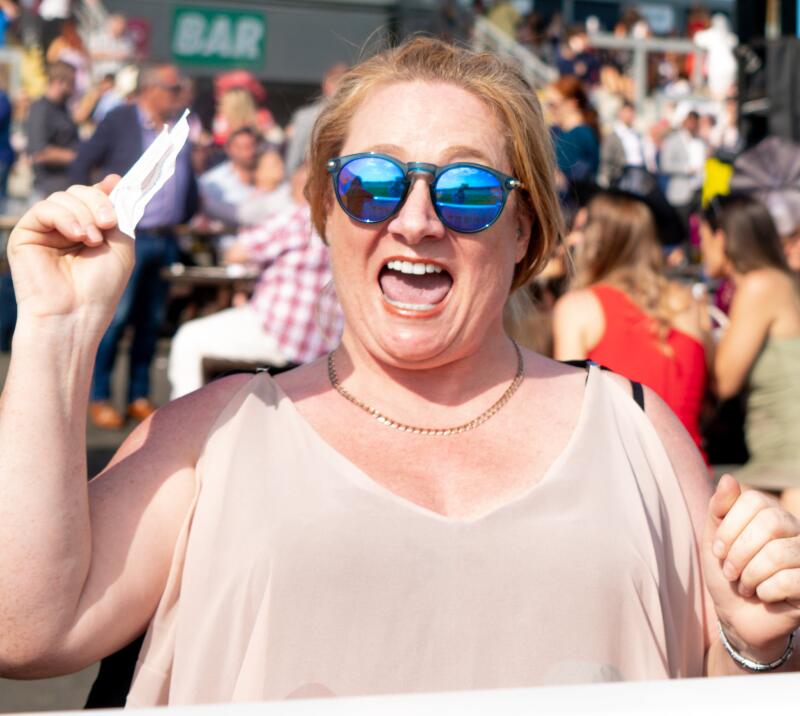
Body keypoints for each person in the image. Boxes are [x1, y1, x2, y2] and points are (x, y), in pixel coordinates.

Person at [2, 38, 800, 707]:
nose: (416, 221)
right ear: (325, 209)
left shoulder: (635, 430)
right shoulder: (211, 436)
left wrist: (758, 642)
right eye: (372, 185)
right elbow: (23, 629)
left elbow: (720, 686)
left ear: (523, 229)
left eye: (468, 191)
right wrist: (55, 330)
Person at [70, 61, 197, 429]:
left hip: (164, 238)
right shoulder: (120, 120)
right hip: (126, 237)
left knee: (150, 320)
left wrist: (186, 211)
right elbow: (82, 165)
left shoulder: (178, 127)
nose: (179, 95)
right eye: (174, 89)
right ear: (150, 89)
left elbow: (186, 177)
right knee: (114, 319)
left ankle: (139, 394)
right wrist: (87, 212)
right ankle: (100, 396)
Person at [552, 191, 709, 456]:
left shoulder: (578, 308)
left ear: (595, 242)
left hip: (621, 476)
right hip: (690, 473)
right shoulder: (689, 304)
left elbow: (566, 409)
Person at [169, 165, 341, 399]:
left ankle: (187, 427)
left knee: (188, 339)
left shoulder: (296, 217)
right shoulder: (342, 224)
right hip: (327, 340)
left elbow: (237, 252)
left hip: (282, 332)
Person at [700, 194, 800, 515]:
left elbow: (724, 382)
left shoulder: (761, 285)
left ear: (721, 238)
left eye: (701, 238)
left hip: (787, 464)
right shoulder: (779, 280)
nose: (700, 250)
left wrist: (699, 326)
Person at [26, 60, 78, 200]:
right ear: (59, 81)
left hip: (65, 188)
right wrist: (78, 157)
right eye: (72, 83)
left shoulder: (63, 108)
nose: (75, 88)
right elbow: (39, 153)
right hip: (47, 192)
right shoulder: (40, 109)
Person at [284, 62, 348, 175]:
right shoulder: (306, 117)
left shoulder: (355, 116)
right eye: (336, 82)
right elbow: (293, 160)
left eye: (342, 83)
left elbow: (293, 160)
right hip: (313, 176)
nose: (339, 88)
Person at [545, 74, 600, 200]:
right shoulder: (562, 133)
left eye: (553, 105)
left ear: (571, 104)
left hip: (570, 209)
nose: (549, 110)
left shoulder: (579, 135)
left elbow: (573, 182)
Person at [197, 126, 259, 228]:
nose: (249, 152)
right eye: (242, 147)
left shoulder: (267, 176)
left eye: (252, 146)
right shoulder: (212, 180)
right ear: (229, 149)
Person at [660, 111, 706, 227]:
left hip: (698, 190)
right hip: (681, 193)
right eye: (690, 121)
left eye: (695, 122)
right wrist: (686, 169)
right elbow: (665, 165)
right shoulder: (673, 140)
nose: (693, 124)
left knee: (698, 229)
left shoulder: (700, 141)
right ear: (684, 121)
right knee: (682, 228)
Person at [598, 101, 644, 188]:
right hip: (622, 175)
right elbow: (606, 159)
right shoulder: (613, 136)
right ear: (620, 113)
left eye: (631, 112)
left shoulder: (636, 134)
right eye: (627, 112)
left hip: (638, 174)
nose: (630, 115)